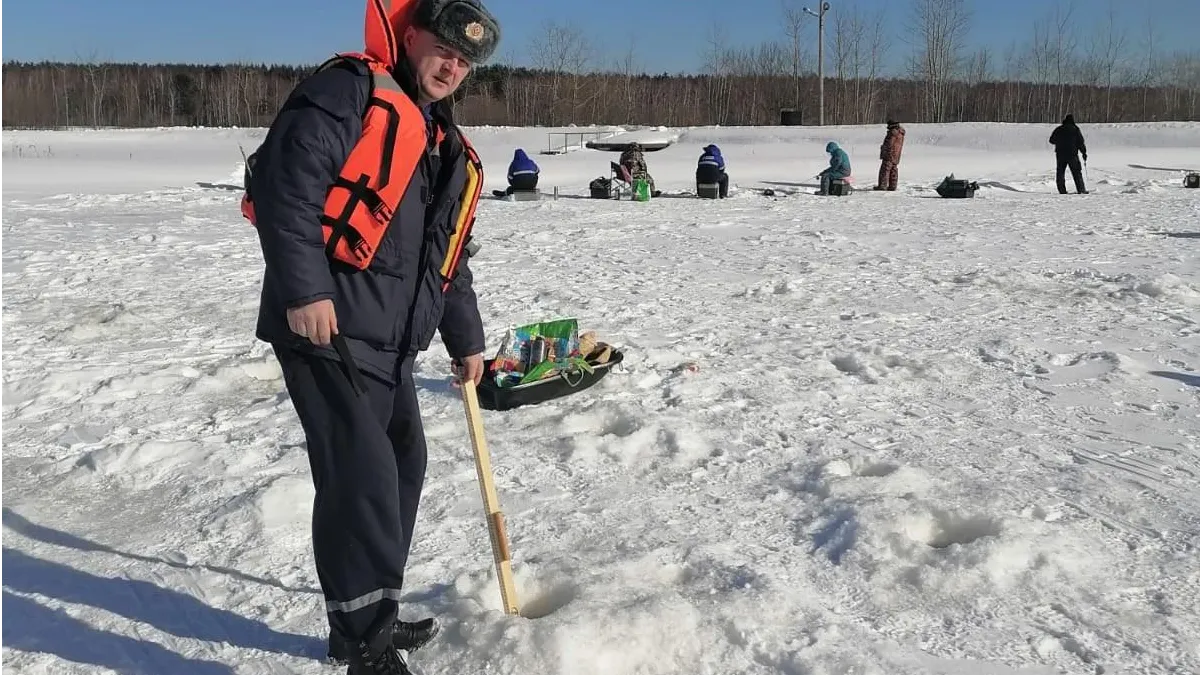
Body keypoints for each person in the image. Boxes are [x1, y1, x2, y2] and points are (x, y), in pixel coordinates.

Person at [241, 0, 500, 672]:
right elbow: (285, 185)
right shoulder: (349, 90)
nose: (451, 66)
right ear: (409, 37)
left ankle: (365, 612)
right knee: (363, 476)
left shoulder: (439, 139)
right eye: (442, 48)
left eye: (464, 61)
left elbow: (447, 260)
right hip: (328, 325)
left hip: (388, 341)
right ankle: (364, 640)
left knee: (400, 469)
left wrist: (465, 340)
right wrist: (305, 290)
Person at [1049, 113, 1088, 194]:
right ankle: (1081, 190)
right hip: (1072, 154)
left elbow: (1051, 140)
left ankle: (1062, 190)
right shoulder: (1075, 129)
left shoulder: (1059, 129)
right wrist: (1084, 153)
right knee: (1077, 172)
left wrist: (1059, 142)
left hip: (1060, 154)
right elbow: (1080, 142)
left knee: (1060, 172)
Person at [874, 118, 905, 191]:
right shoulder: (900, 133)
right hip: (896, 155)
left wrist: (883, 149)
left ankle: (882, 186)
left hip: (889, 154)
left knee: (885, 170)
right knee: (893, 170)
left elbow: (889, 144)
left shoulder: (893, 133)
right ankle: (893, 186)